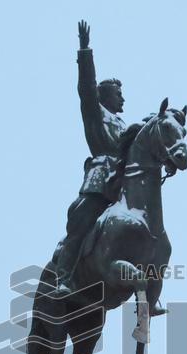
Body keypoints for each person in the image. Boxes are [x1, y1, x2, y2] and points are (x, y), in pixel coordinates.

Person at [53, 20, 127, 297]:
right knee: (81, 222)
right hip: (100, 179)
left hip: (122, 183)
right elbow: (86, 86)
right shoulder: (94, 113)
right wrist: (85, 51)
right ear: (105, 95)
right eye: (119, 94)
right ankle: (63, 277)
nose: (124, 100)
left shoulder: (123, 125)